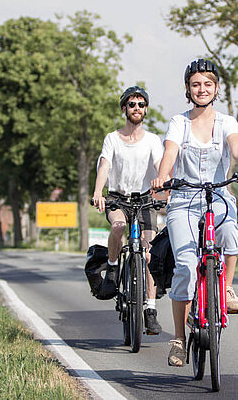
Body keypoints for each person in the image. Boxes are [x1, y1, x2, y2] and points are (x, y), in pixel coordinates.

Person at [151, 59, 238, 366]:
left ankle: (226, 288)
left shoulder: (227, 122)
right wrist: (163, 175)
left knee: (229, 231)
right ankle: (178, 338)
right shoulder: (179, 122)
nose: (201, 89)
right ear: (188, 89)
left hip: (217, 196)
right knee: (186, 268)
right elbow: (170, 152)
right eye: (195, 84)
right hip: (184, 201)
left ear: (216, 89)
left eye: (208, 84)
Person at [92, 86, 164, 335]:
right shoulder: (113, 138)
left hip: (144, 200)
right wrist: (98, 192)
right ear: (124, 108)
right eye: (132, 104)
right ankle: (112, 266)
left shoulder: (153, 140)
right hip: (118, 198)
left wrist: (165, 186)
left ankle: (150, 309)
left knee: (149, 253)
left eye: (141, 105)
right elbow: (105, 165)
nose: (137, 108)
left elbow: (159, 166)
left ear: (145, 110)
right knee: (118, 226)